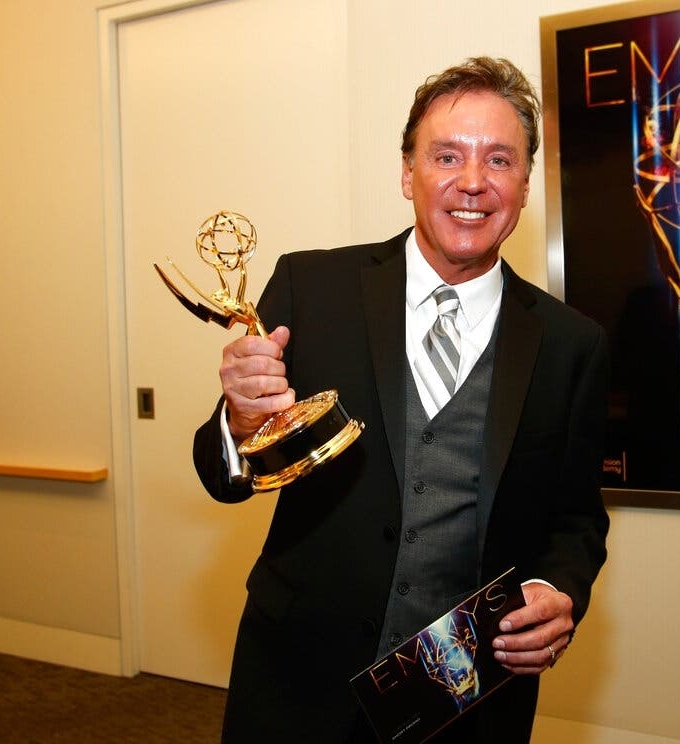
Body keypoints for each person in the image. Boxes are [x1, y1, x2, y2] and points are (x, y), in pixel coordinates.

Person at [193, 56, 610, 742]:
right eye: (446, 155)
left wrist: (553, 589)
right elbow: (223, 480)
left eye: (499, 160)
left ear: (526, 184)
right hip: (302, 675)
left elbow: (576, 519)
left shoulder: (572, 344)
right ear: (406, 172)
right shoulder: (311, 288)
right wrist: (239, 419)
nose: (471, 182)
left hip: (465, 691)